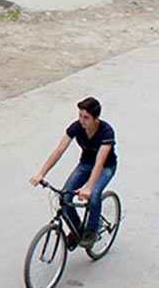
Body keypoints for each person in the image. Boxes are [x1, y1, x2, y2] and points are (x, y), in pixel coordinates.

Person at [29, 97, 118, 249]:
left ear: (96, 119)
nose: (81, 121)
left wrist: (89, 188)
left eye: (86, 118)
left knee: (95, 193)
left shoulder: (106, 132)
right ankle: (78, 230)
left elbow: (99, 162)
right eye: (80, 116)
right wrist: (41, 173)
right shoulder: (76, 128)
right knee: (65, 196)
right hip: (85, 164)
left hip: (105, 167)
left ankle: (91, 230)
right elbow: (59, 150)